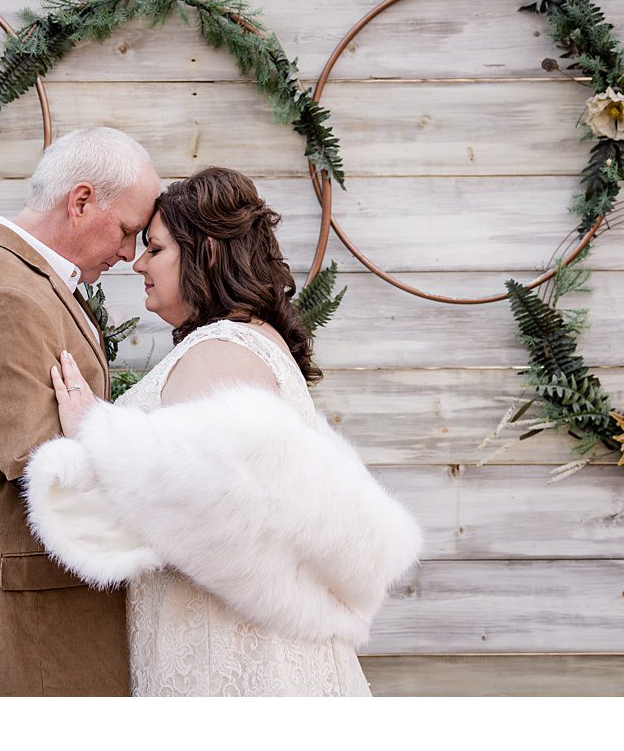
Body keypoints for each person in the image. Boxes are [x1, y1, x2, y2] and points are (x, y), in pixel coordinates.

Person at [23, 166, 422, 696]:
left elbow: (199, 505)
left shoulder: (224, 351)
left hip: (227, 653)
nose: (138, 263)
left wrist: (91, 432)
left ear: (206, 254)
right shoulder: (241, 340)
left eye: (156, 250)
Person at [0, 126, 160, 696]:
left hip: (31, 607)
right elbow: (40, 467)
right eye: (126, 231)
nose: (128, 253)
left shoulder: (22, 279)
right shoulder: (5, 298)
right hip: (24, 622)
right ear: (81, 201)